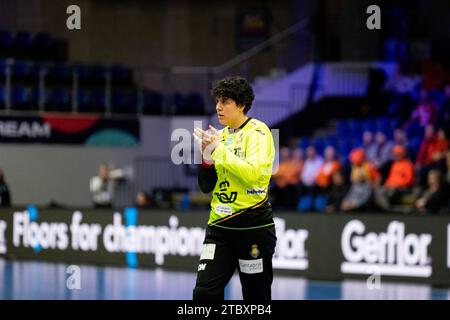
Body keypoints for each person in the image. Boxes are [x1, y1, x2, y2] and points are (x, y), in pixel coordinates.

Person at [192, 76, 276, 301]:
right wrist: (207, 158)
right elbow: (205, 186)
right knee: (203, 294)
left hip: (253, 228)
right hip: (219, 228)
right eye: (217, 101)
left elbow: (252, 175)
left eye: (225, 101)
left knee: (255, 297)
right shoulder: (220, 137)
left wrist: (218, 150)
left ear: (240, 105)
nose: (218, 106)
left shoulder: (258, 133)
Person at [375, 145, 415, 211]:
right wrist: (386, 184)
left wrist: (398, 185)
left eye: (397, 154)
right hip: (390, 186)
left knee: (390, 192)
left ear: (402, 154)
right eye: (395, 154)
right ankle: (388, 208)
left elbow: (409, 179)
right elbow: (391, 177)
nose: (395, 156)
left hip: (401, 188)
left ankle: (389, 209)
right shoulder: (394, 164)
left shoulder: (407, 164)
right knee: (379, 191)